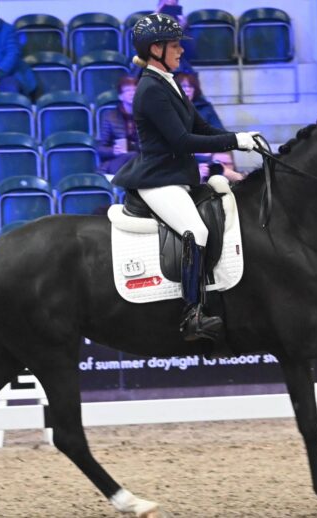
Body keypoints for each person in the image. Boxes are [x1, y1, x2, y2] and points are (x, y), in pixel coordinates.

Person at [112, 14, 259, 342]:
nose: (181, 51)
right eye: (175, 45)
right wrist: (234, 141)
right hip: (158, 179)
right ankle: (192, 315)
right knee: (197, 231)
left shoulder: (170, 82)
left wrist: (241, 138)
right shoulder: (150, 89)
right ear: (156, 49)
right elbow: (181, 141)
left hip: (178, 176)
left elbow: (201, 128)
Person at [175, 72, 246, 183]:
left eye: (190, 86)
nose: (187, 90)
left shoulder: (205, 108)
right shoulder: (170, 109)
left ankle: (239, 181)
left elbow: (218, 131)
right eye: (183, 86)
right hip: (185, 152)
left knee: (225, 154)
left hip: (207, 149)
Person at [96, 76, 140, 178]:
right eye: (128, 91)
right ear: (121, 96)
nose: (132, 93)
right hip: (117, 161)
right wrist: (113, 151)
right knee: (133, 156)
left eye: (134, 90)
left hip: (140, 159)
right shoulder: (110, 117)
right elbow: (100, 149)